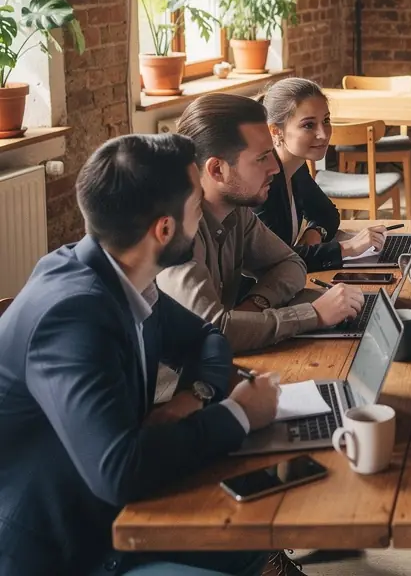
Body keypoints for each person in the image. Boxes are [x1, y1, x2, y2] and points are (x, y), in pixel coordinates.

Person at [0, 133, 281, 576]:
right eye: (195, 209)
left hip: (113, 509)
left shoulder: (121, 273)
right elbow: (119, 471)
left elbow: (206, 336)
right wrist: (238, 415)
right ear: (164, 229)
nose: (202, 216)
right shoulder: (72, 315)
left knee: (247, 541)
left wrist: (197, 395)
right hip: (63, 546)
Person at [157, 93, 365, 352]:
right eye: (262, 157)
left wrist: (255, 305)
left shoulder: (235, 211)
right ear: (217, 170)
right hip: (172, 387)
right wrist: (313, 314)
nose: (275, 168)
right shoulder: (175, 231)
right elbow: (212, 333)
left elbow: (291, 263)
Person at [255, 77, 387, 270]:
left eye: (326, 120)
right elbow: (276, 260)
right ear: (276, 131)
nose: (324, 134)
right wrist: (349, 247)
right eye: (308, 125)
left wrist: (315, 232)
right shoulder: (262, 182)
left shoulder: (297, 167)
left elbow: (328, 214)